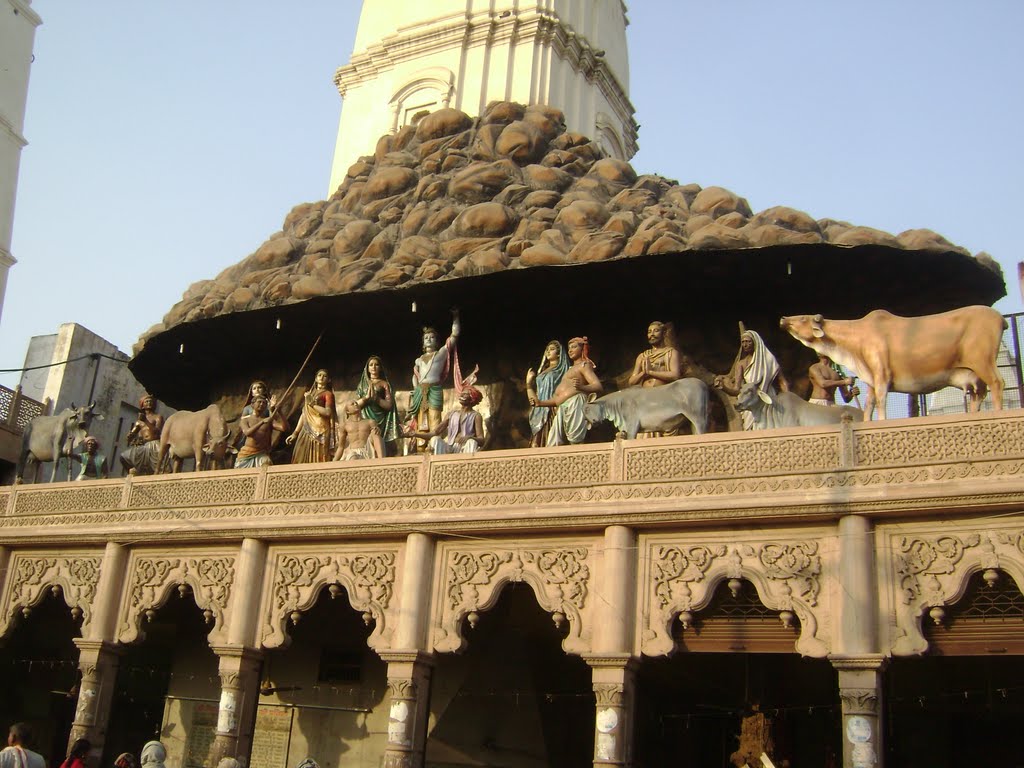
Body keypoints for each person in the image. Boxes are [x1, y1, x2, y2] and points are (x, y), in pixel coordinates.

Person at [528, 336, 603, 446]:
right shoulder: (569, 370)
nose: (570, 350)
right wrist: (540, 403)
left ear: (582, 349)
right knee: (553, 443)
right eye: (569, 348)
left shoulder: (584, 365)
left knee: (575, 438)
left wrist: (582, 387)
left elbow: (598, 386)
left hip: (575, 402)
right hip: (562, 406)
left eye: (574, 347)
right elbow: (556, 399)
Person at [714, 327, 787, 430]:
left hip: (768, 398)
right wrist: (724, 388)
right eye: (743, 342)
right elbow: (737, 390)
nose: (745, 344)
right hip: (749, 400)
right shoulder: (741, 364)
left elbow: (782, 381)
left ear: (755, 342)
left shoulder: (768, 360)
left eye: (748, 342)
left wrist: (788, 399)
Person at [408, 308, 460, 449]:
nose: (429, 340)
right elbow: (415, 376)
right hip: (420, 391)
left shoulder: (440, 354)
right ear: (423, 343)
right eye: (426, 338)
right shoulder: (418, 360)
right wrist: (415, 388)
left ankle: (435, 444)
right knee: (420, 418)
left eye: (432, 337)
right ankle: (421, 444)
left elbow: (454, 335)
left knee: (434, 416)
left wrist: (455, 316)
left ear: (437, 341)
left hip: (435, 388)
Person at [405, 386, 485, 454]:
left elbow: (481, 440)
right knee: (435, 439)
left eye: (465, 394)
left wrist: (470, 438)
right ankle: (438, 466)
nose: (461, 395)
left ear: (472, 398)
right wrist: (415, 434)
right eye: (462, 393)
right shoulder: (451, 414)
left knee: (472, 442)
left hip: (465, 448)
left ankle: (468, 467)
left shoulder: (476, 416)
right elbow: (434, 433)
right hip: (450, 447)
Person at [285, 369, 337, 464]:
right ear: (315, 379)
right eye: (319, 375)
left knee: (319, 456)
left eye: (324, 376)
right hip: (306, 428)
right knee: (300, 454)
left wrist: (313, 404)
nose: (321, 377)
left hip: (321, 429)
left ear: (328, 380)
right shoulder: (309, 394)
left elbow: (328, 412)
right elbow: (304, 413)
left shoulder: (328, 394)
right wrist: (295, 433)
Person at [525, 340, 568, 447]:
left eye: (552, 349)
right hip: (539, 409)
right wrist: (528, 383)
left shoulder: (562, 371)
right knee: (536, 443)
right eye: (547, 350)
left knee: (550, 439)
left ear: (559, 353)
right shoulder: (542, 371)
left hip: (553, 408)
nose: (548, 352)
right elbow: (535, 395)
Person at [355, 356, 399, 455]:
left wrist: (376, 399)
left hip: (380, 419)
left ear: (380, 368)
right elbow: (355, 406)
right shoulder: (362, 385)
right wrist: (366, 398)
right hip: (365, 417)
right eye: (371, 365)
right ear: (367, 368)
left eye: (376, 364)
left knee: (379, 440)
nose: (374, 367)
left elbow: (389, 405)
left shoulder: (384, 384)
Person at [236, 395, 289, 468]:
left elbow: (284, 428)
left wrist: (280, 412)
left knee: (266, 464)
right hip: (247, 453)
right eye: (259, 402)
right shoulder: (245, 420)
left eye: (264, 403)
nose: (261, 404)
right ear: (252, 404)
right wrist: (261, 422)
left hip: (261, 454)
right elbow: (247, 432)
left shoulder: (269, 420)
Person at [627, 320, 683, 388]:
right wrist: (643, 373)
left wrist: (651, 372)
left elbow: (675, 375)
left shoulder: (671, 352)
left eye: (656, 331)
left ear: (664, 333)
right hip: (645, 393)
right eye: (649, 332)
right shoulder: (642, 356)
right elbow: (631, 381)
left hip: (664, 390)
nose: (652, 334)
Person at [120, 394, 165, 474]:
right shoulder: (139, 422)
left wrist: (145, 421)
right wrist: (131, 437)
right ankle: (133, 472)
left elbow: (157, 431)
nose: (149, 403)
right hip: (144, 446)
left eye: (151, 401)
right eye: (146, 401)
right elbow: (131, 435)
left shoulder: (157, 417)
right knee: (123, 456)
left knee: (162, 463)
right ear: (142, 406)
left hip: (155, 444)